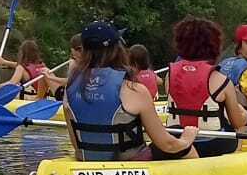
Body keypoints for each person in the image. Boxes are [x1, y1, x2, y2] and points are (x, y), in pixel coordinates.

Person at [64, 21, 196, 163]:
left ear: (83, 50)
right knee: (178, 136)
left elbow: (75, 143)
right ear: (117, 49)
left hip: (86, 163)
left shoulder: (70, 88)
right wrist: (186, 139)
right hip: (131, 164)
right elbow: (167, 145)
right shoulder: (134, 89)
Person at [167, 17, 247, 152]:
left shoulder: (169, 76)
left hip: (177, 139)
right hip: (210, 144)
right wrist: (244, 114)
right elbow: (237, 122)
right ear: (215, 46)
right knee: (242, 124)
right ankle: (237, 156)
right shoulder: (221, 80)